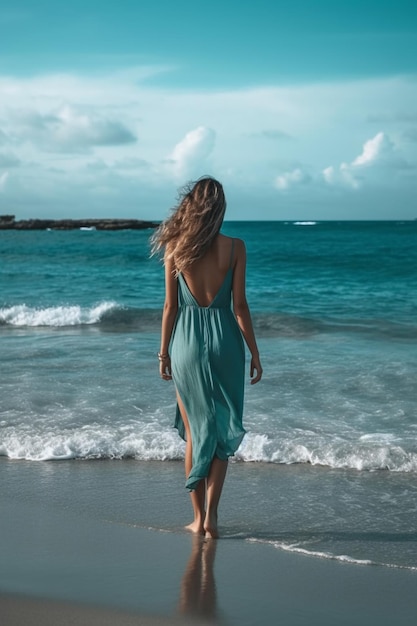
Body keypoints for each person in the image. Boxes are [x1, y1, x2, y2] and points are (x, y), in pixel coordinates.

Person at [152, 176, 262, 539]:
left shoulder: (175, 247)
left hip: (185, 341)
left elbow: (170, 306)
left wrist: (164, 352)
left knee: (197, 434)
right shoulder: (236, 247)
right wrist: (254, 353)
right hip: (226, 343)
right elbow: (240, 306)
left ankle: (197, 519)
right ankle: (212, 518)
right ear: (220, 209)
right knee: (219, 431)